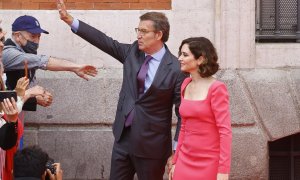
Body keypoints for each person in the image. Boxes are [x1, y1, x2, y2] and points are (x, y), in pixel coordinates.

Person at [56, 1, 186, 179]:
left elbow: (182, 114)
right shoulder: (132, 52)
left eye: (144, 31)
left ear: (159, 35)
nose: (139, 35)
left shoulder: (176, 69)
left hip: (152, 147)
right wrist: (70, 20)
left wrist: (176, 150)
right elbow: (104, 41)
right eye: (137, 30)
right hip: (123, 140)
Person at [2, 15, 98, 111]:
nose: (37, 41)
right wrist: (75, 67)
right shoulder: (8, 53)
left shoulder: (25, 50)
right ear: (18, 36)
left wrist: (39, 95)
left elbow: (24, 87)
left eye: (39, 37)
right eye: (33, 36)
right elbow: (41, 61)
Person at [169, 37, 232, 180]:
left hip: (209, 163)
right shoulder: (185, 84)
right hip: (184, 159)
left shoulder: (217, 88)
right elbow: (184, 127)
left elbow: (225, 132)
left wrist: (223, 170)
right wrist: (175, 161)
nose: (179, 58)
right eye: (180, 54)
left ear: (200, 59)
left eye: (185, 55)